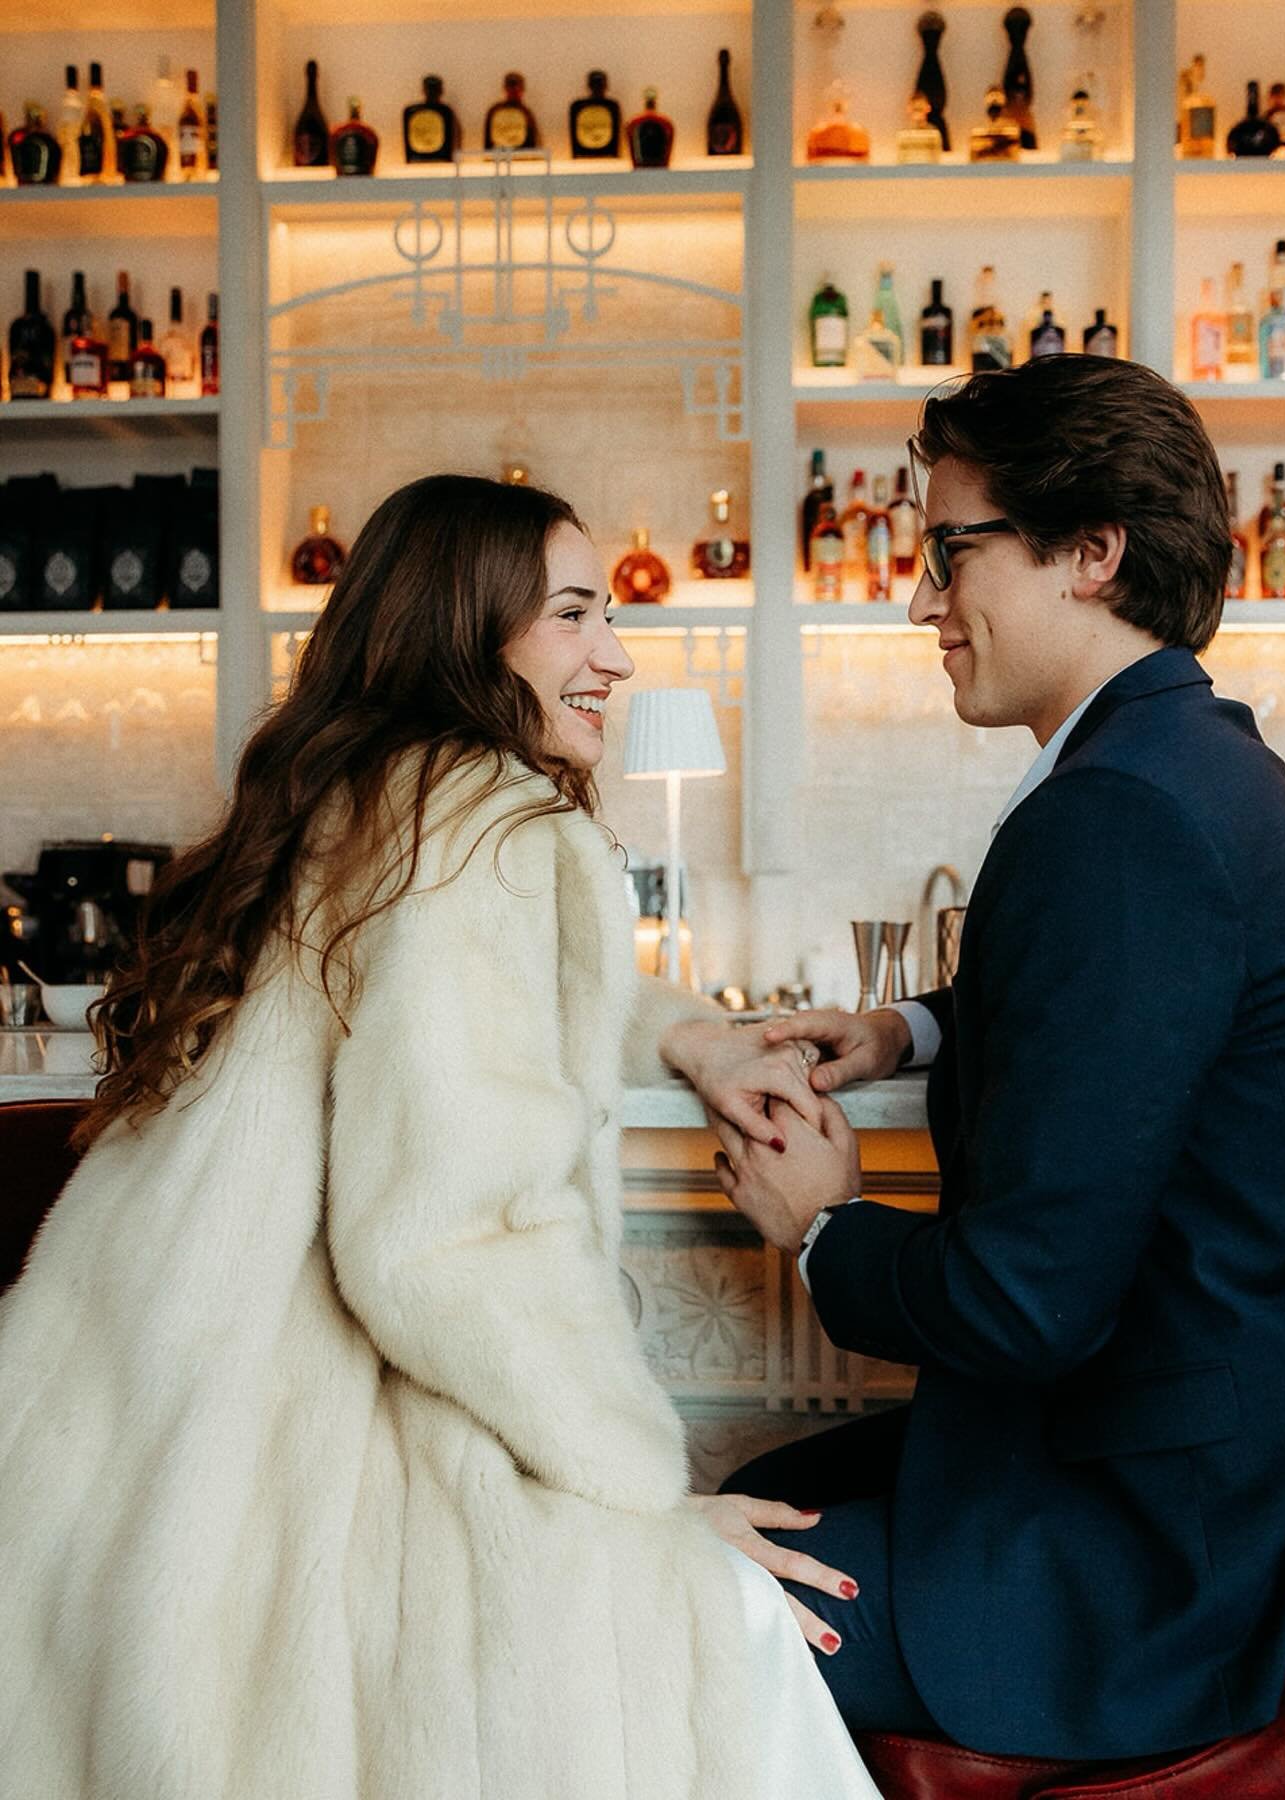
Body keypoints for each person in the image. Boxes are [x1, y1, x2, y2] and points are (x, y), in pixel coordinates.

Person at [0, 475, 882, 1800]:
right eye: (575, 614)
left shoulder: (362, 799)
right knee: (714, 1640)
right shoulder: (492, 833)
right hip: (280, 1456)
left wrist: (689, 1037)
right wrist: (644, 1492)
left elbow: (461, 1001)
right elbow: (445, 1246)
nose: (619, 652)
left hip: (117, 1435)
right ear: (471, 636)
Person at [712, 357, 1285, 1763]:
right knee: (764, 1494)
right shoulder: (1185, 764)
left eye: (951, 549)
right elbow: (1120, 1007)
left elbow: (1029, 1305)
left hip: (1165, 1561)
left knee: (679, 1609)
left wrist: (822, 1231)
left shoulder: (1120, 818)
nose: (922, 600)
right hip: (1213, 1468)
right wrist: (907, 1026)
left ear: (1090, 551)